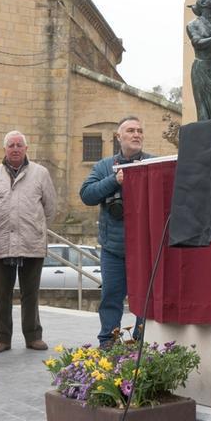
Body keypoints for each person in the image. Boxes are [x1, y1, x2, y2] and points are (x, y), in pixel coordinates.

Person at [0, 131, 58, 354]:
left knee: (30, 293)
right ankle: (2, 338)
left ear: (26, 149)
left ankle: (33, 336)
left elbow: (50, 207)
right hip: (2, 243)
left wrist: (35, 226)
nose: (15, 148)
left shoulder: (41, 173)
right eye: (11, 145)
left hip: (31, 242)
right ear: (4, 150)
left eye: (19, 145)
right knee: (2, 294)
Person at [80, 117, 149, 347]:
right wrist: (115, 180)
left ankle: (143, 342)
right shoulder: (104, 166)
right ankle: (108, 342)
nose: (136, 134)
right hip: (113, 248)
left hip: (144, 247)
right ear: (119, 137)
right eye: (131, 130)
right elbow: (87, 195)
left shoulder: (153, 163)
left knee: (145, 299)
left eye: (140, 131)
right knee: (110, 298)